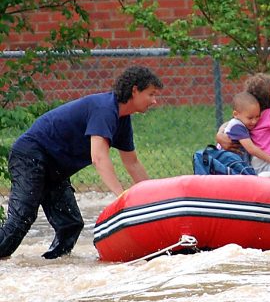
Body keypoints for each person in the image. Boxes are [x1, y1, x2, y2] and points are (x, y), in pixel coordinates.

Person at [0, 65, 163, 259]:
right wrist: (122, 198)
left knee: (70, 224)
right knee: (21, 219)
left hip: (55, 168)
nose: (154, 101)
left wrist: (155, 198)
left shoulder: (123, 120)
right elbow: (99, 158)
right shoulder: (105, 108)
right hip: (30, 156)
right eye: (151, 94)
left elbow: (132, 163)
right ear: (135, 90)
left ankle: (50, 266)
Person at [221, 89, 270, 179]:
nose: (254, 121)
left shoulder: (241, 122)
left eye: (257, 116)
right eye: (250, 117)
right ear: (236, 114)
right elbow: (251, 149)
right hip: (229, 164)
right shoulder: (237, 126)